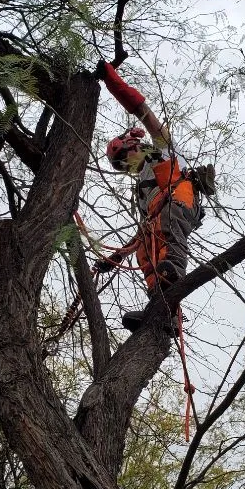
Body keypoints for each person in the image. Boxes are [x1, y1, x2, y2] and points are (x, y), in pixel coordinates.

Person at [93, 61, 214, 331]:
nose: (125, 165)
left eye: (125, 156)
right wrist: (115, 259)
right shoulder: (142, 191)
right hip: (160, 214)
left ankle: (170, 277)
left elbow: (146, 115)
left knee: (166, 225)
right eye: (119, 164)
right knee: (146, 248)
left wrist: (112, 81)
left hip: (180, 201)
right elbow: (142, 229)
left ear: (136, 146)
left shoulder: (163, 151)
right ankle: (163, 311)